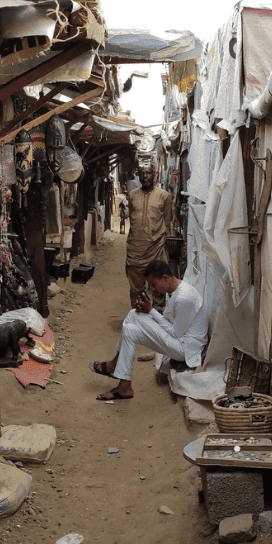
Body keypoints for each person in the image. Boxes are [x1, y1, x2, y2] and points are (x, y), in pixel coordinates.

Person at [89, 259, 207, 401]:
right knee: (130, 330)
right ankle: (124, 386)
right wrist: (149, 311)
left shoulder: (184, 298)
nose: (153, 289)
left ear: (165, 278)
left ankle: (114, 364)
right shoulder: (174, 291)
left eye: (154, 284)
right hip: (178, 340)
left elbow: (176, 333)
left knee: (134, 315)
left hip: (185, 349)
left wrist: (150, 310)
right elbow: (170, 323)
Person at [126, 168, 172, 309]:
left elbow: (167, 223)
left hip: (156, 248)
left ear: (154, 175)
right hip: (135, 250)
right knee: (136, 289)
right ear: (138, 176)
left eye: (148, 173)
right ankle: (138, 317)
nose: (145, 176)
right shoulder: (132, 195)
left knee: (159, 287)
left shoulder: (164, 196)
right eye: (142, 173)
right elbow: (132, 219)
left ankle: (157, 316)